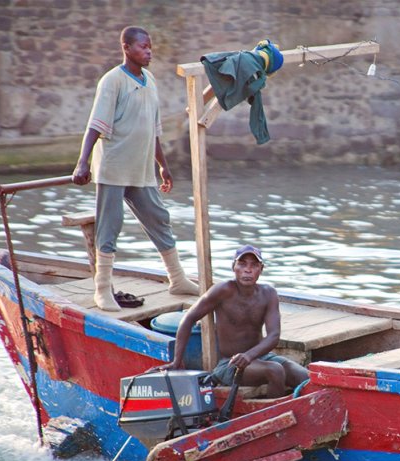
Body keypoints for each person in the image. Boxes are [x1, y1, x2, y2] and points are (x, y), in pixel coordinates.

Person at [72, 26, 199, 311]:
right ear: (126, 48)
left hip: (141, 168)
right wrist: (82, 162)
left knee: (158, 217)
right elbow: (96, 125)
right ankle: (102, 289)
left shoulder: (150, 80)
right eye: (143, 47)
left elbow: (153, 130)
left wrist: (163, 166)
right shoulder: (112, 81)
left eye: (150, 47)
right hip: (114, 166)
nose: (149, 51)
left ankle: (177, 278)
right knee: (110, 225)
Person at [164, 245, 308, 398]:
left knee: (306, 376)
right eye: (242, 264)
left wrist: (249, 355)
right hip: (230, 364)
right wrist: (176, 361)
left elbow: (274, 335)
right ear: (234, 267)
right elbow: (188, 319)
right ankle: (275, 416)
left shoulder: (269, 293)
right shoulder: (223, 290)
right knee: (275, 370)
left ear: (261, 269)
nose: (248, 269)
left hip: (260, 357)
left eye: (254, 265)